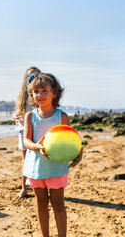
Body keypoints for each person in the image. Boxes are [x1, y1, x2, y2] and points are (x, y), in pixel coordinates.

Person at [23, 73, 83, 237]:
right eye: (35, 91)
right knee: (41, 203)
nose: (40, 95)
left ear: (55, 92)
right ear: (31, 94)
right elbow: (26, 141)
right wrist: (37, 146)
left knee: (58, 204)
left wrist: (78, 152)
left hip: (56, 167)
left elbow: (71, 138)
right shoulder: (30, 116)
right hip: (36, 167)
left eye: (44, 90)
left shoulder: (61, 116)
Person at [13, 66, 41, 198]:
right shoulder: (21, 96)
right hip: (22, 128)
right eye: (30, 76)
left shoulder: (39, 93)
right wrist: (15, 117)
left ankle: (39, 185)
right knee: (25, 159)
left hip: (37, 127)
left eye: (36, 75)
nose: (33, 78)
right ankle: (24, 188)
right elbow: (18, 111)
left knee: (38, 157)